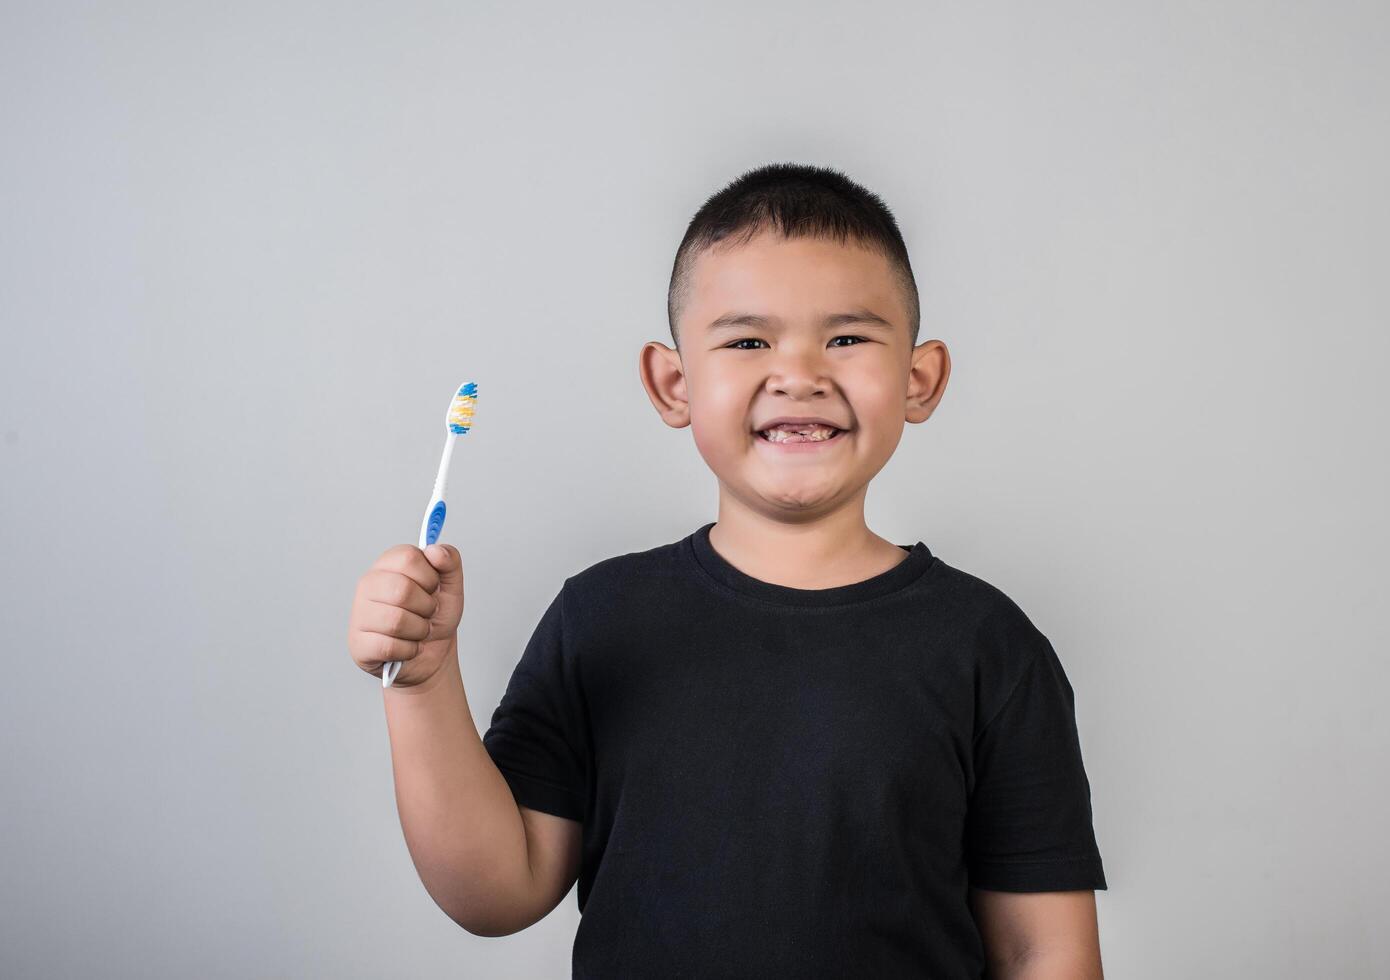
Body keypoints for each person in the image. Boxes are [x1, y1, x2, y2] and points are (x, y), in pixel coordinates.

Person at [347, 162, 1108, 978]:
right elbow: (496, 893)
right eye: (748, 340)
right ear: (672, 383)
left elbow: (1044, 952)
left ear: (919, 380)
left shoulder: (989, 648)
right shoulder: (600, 618)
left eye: (846, 338)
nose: (799, 374)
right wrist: (421, 686)